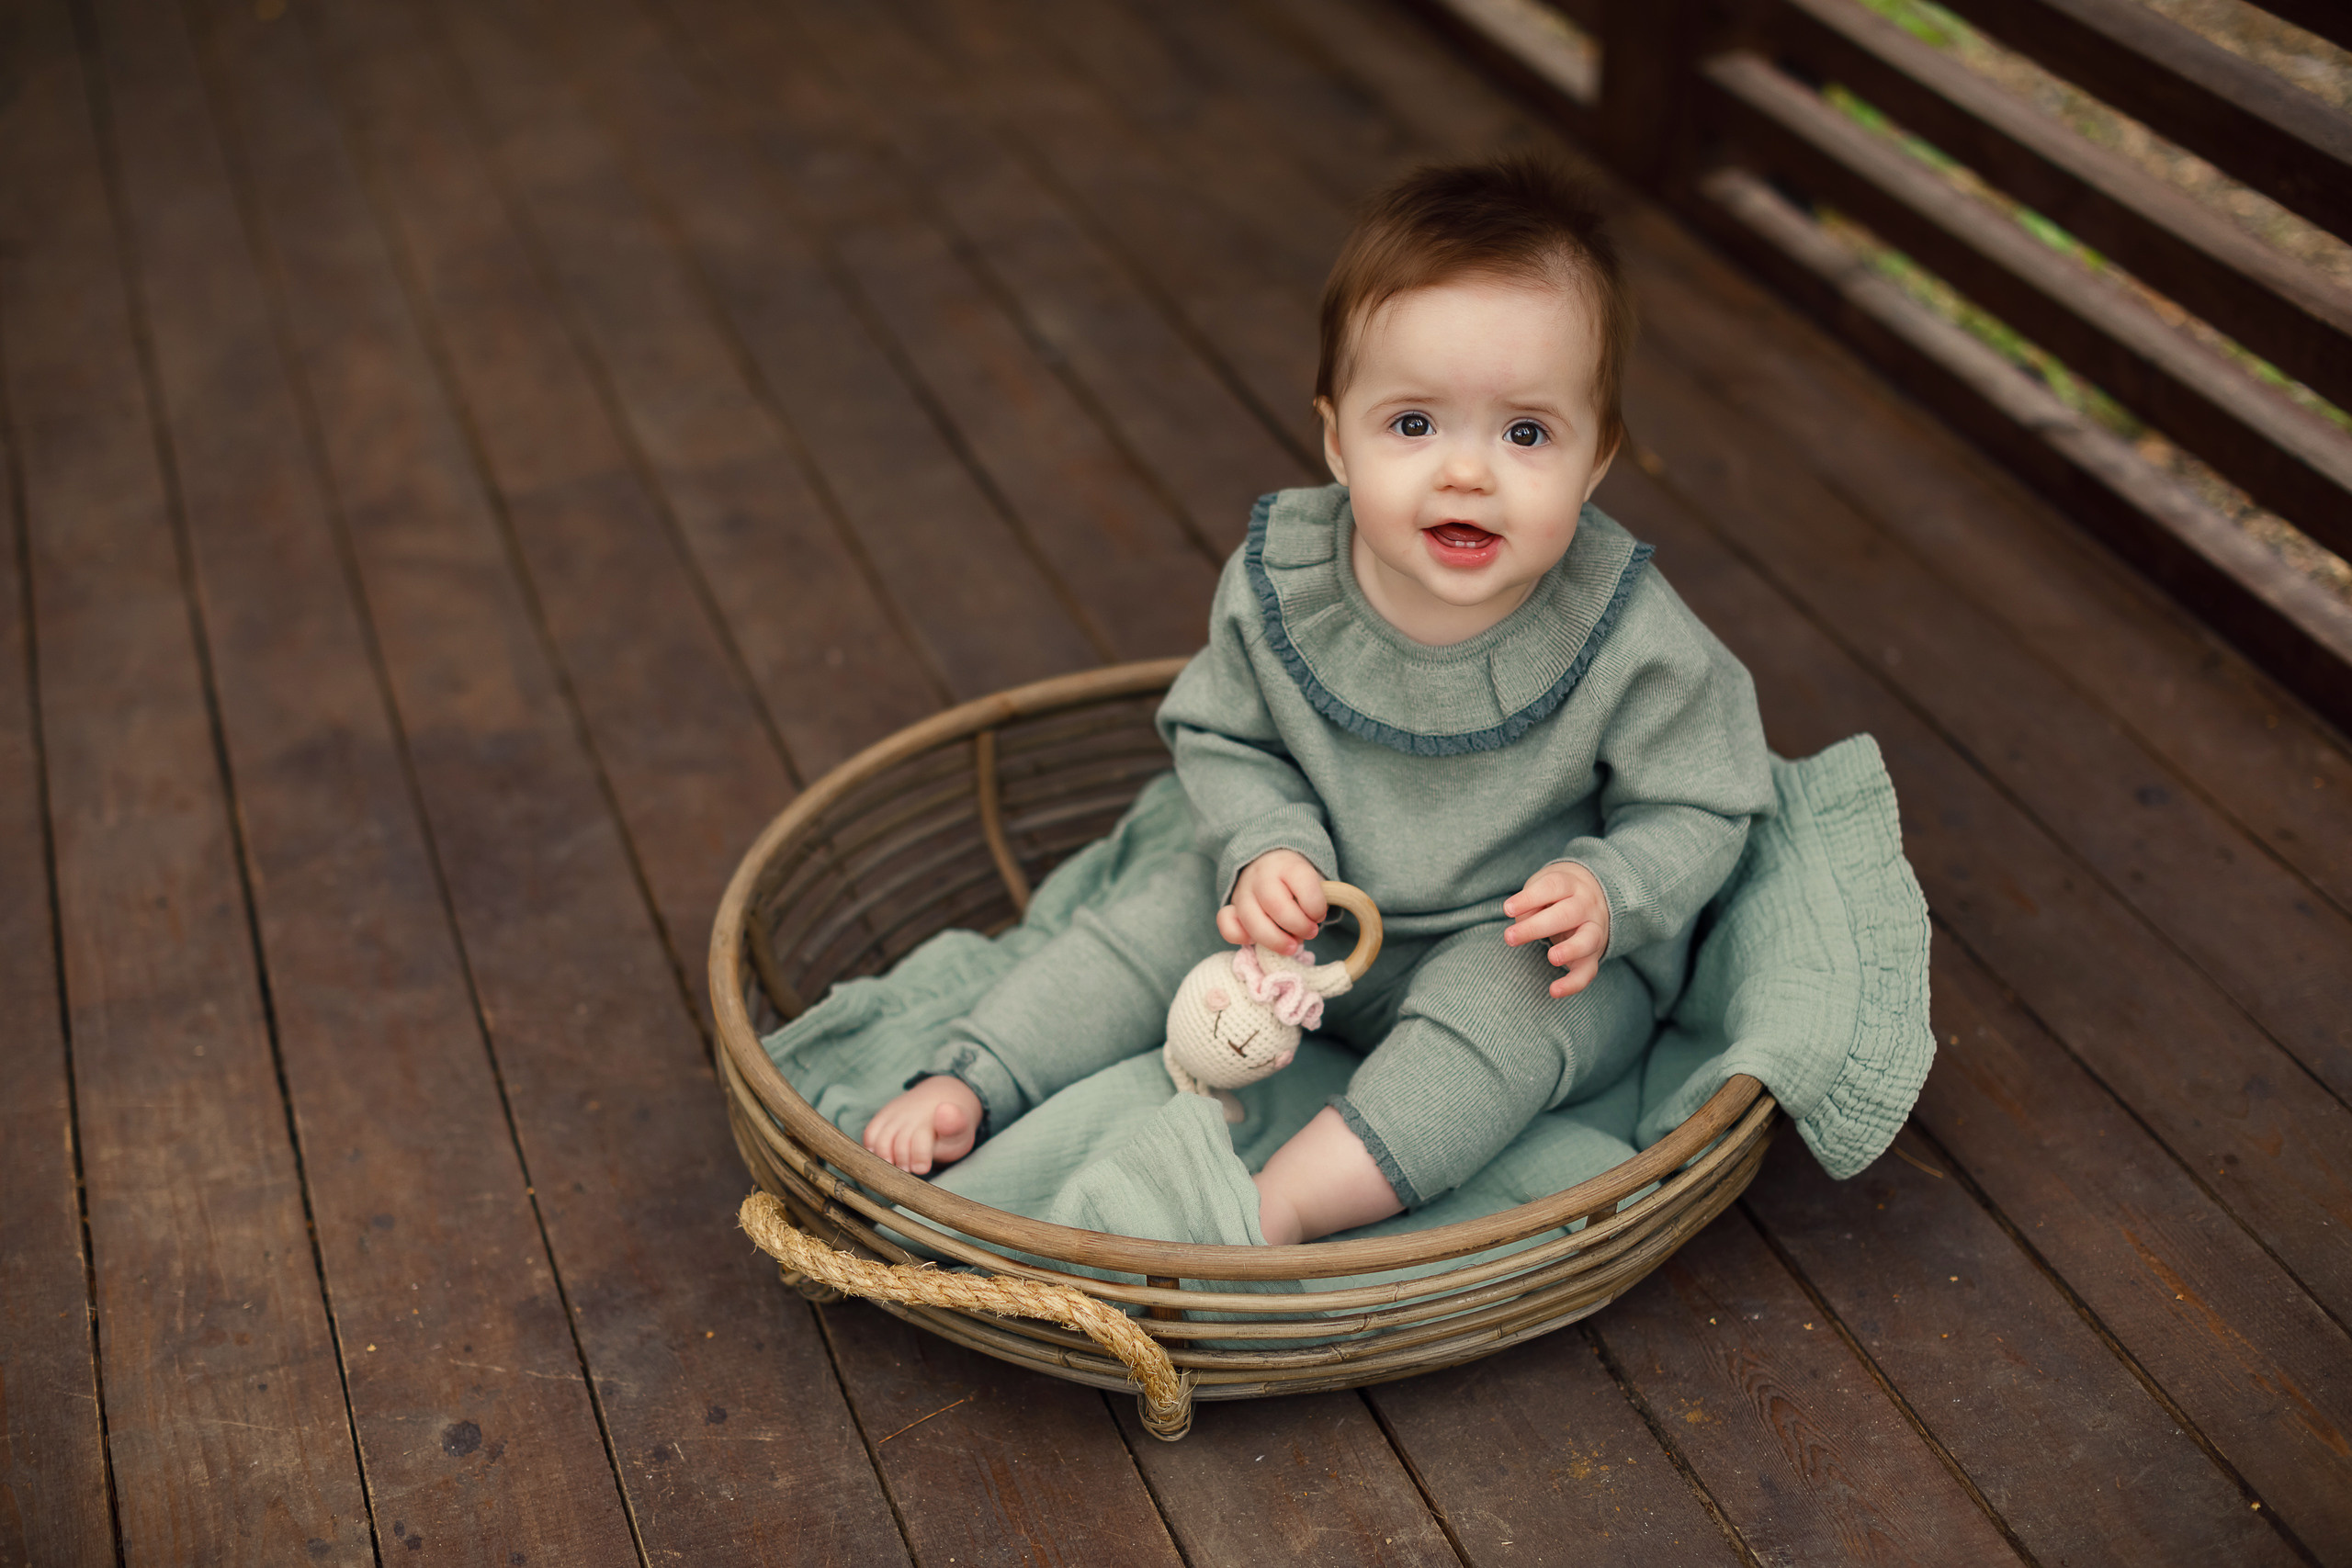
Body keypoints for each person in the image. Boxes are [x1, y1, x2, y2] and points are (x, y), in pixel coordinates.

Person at [863, 156, 1773, 1245]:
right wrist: (1265, 849)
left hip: (1509, 937)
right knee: (1158, 915)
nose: (1467, 474)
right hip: (1311, 915)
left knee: (1511, 1016)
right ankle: (974, 1077)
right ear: (1337, 440)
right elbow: (1223, 737)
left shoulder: (1628, 634)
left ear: (1597, 459)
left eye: (1526, 433)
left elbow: (1706, 798)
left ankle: (1281, 1206)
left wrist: (1609, 889)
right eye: (1413, 425)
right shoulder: (1283, 589)